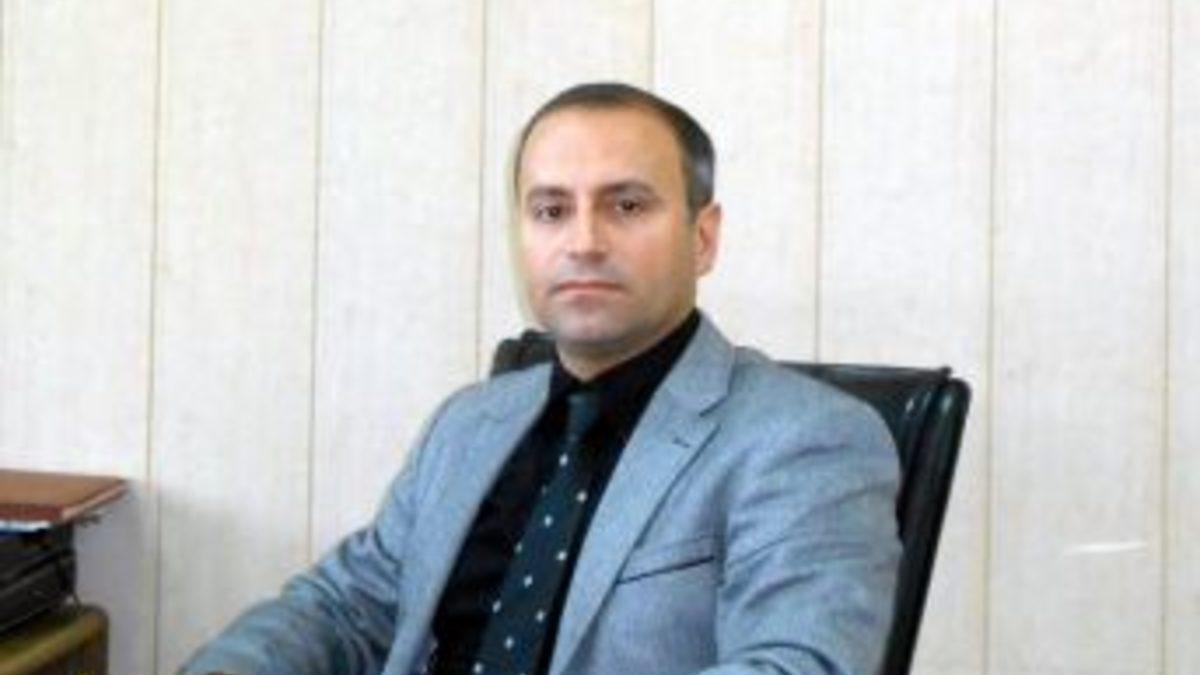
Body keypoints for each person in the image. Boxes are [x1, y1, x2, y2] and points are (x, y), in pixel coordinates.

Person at [180, 82, 900, 675]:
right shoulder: (469, 423)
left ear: (703, 237)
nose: (583, 241)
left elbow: (796, 664)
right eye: (551, 210)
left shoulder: (806, 439)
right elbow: (347, 608)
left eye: (627, 206)